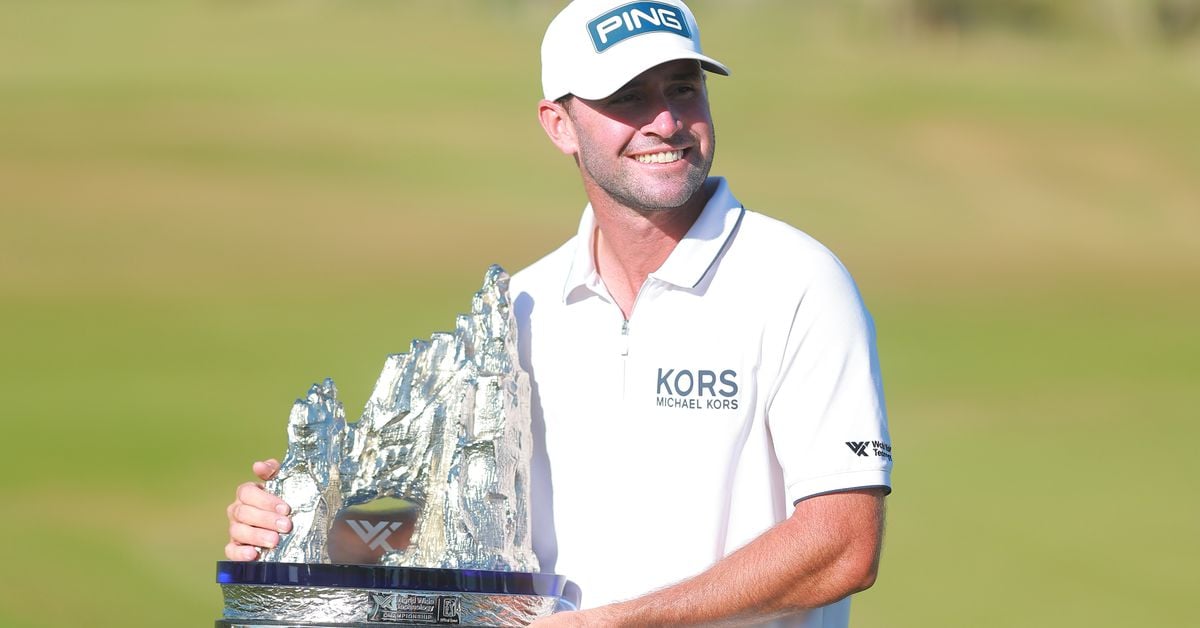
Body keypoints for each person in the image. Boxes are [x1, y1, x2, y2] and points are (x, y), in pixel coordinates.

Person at [226, 1, 893, 625]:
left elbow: (842, 544)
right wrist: (301, 525)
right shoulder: (522, 306)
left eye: (683, 88)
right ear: (559, 125)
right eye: (628, 97)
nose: (664, 121)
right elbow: (425, 510)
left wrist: (613, 623)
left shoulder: (797, 281)